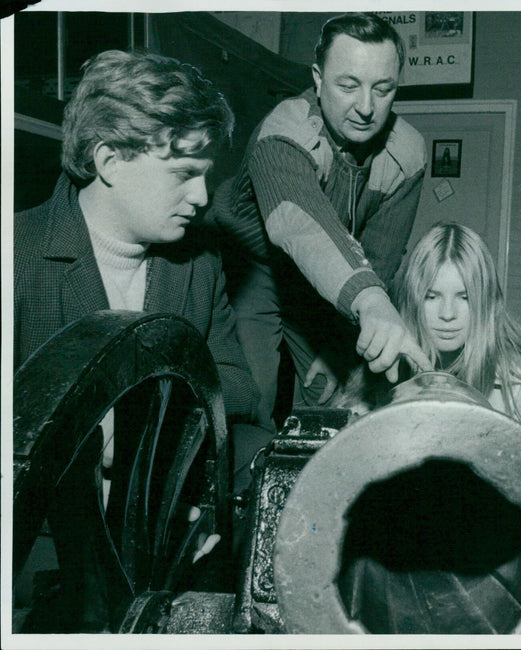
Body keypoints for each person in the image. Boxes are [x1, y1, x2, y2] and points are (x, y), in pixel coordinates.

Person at [13, 49, 259, 630]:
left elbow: (241, 393)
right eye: (184, 173)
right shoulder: (15, 257)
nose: (202, 198)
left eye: (207, 174)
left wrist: (200, 505)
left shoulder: (198, 264)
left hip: (159, 556)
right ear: (110, 160)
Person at [210, 12, 431, 434]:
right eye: (348, 85)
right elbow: (300, 225)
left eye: (382, 89)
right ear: (317, 77)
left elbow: (380, 259)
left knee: (332, 394)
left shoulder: (409, 152)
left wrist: (340, 345)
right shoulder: (286, 127)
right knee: (249, 394)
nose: (366, 108)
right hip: (252, 266)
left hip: (333, 274)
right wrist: (369, 302)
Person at [335, 223, 521, 421]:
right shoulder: (379, 372)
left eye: (464, 297)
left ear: (486, 302)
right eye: (431, 296)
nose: (447, 314)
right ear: (413, 300)